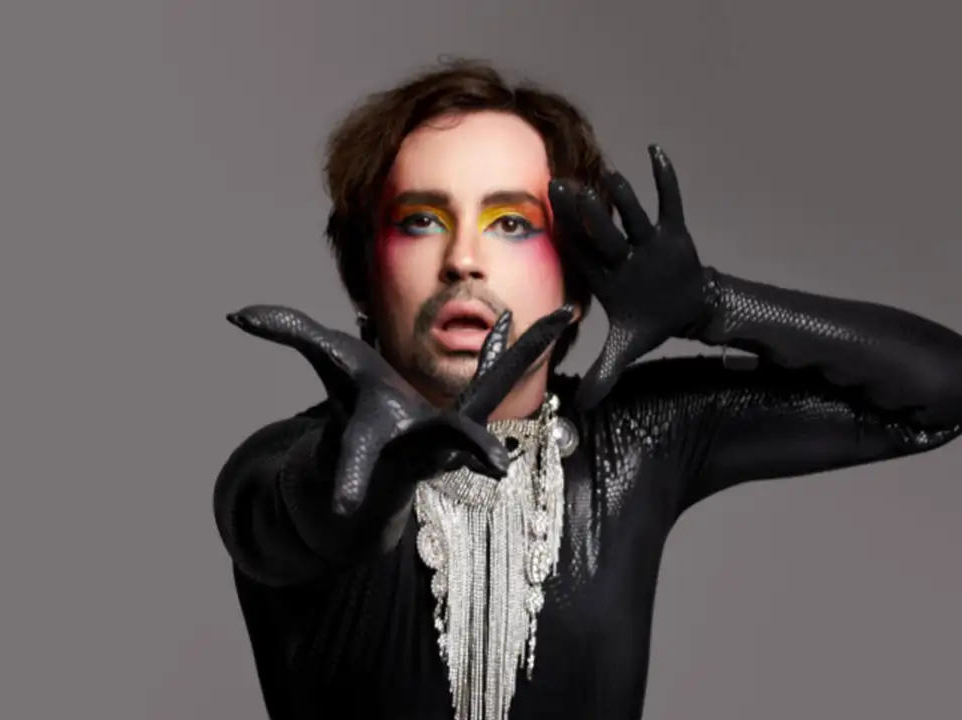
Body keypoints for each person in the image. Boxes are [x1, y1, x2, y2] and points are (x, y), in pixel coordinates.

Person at [212, 59, 962, 720]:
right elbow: (299, 518)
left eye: (511, 222)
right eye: (421, 220)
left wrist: (711, 304)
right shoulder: (283, 464)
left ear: (576, 282)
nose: (463, 259)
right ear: (365, 277)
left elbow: (938, 391)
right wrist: (376, 481)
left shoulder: (633, 440)